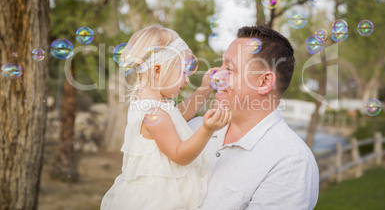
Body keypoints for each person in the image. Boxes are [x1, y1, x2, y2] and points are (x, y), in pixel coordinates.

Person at [100, 24, 232, 210]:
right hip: (158, 200)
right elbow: (180, 155)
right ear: (156, 70)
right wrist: (207, 129)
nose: (186, 79)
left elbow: (177, 116)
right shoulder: (154, 113)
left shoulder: (153, 105)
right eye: (182, 71)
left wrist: (204, 90)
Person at [188, 25, 319, 209]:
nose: (217, 76)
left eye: (230, 68)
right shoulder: (192, 128)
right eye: (221, 65)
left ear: (264, 82)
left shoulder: (291, 162)